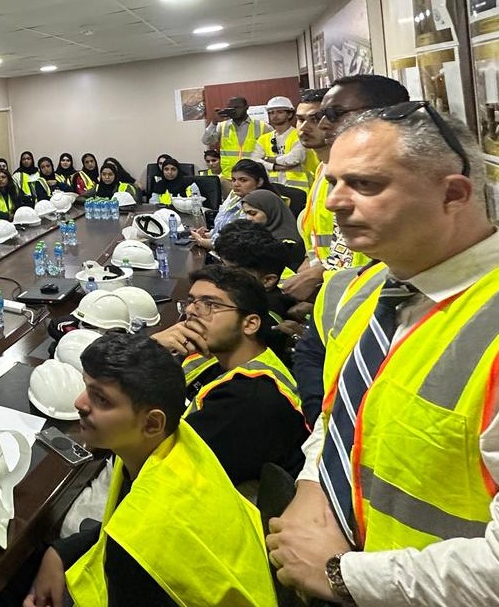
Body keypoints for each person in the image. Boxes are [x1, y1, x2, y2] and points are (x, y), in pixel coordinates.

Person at [266, 104, 499, 606]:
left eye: (365, 184)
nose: (334, 201)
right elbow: (342, 416)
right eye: (333, 181)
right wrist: (313, 488)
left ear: (453, 194)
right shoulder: (367, 291)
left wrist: (342, 576)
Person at [24, 333, 276, 607]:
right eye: (87, 387)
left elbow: (133, 536)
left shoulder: (139, 545)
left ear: (152, 424)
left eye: (102, 399)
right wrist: (59, 553)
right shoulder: (172, 441)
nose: (79, 403)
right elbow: (120, 520)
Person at [149, 266, 310, 485]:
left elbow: (166, 466)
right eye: (192, 301)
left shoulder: (251, 398)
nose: (192, 311)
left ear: (250, 324)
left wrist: (148, 349)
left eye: (210, 304)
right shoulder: (211, 358)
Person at [281, 76, 410, 304]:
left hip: (370, 293)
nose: (322, 125)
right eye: (301, 119)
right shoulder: (324, 170)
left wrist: (320, 276)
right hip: (343, 289)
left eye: (334, 114)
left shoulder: (400, 174)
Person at [213, 220, 301, 328]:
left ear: (267, 280)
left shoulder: (262, 316)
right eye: (222, 264)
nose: (221, 275)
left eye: (232, 271)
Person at [190, 159, 276, 250]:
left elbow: (236, 243)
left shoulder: (260, 204)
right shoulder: (234, 195)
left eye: (243, 180)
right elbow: (223, 224)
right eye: (233, 180)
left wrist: (201, 241)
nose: (236, 184)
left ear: (259, 182)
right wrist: (209, 234)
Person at [202, 96, 269, 179]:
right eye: (231, 108)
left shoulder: (262, 126)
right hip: (229, 177)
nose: (234, 110)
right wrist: (214, 123)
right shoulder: (222, 126)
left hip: (252, 177)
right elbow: (207, 141)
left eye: (237, 107)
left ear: (246, 107)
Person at [252, 96, 309, 191]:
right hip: (273, 189)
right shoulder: (263, 139)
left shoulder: (299, 135)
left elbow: (294, 159)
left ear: (290, 114)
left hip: (298, 189)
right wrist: (274, 167)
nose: (275, 115)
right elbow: (256, 161)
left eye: (280, 112)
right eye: (271, 113)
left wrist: (267, 159)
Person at [240, 188, 306, 269]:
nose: (248, 218)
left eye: (253, 213)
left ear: (270, 211)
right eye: (246, 213)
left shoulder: (287, 244)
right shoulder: (256, 236)